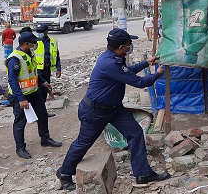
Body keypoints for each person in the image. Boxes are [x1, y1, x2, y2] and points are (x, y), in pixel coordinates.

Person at [56, 29, 170, 191]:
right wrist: (158, 74)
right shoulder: (110, 63)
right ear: (122, 47)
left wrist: (147, 62)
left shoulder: (115, 58)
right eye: (129, 45)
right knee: (83, 143)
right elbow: (139, 82)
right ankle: (64, 173)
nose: (131, 47)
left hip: (114, 109)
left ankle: (143, 174)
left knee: (135, 133)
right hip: (95, 110)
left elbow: (127, 72)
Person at [6, 32, 62, 159]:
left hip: (34, 92)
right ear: (26, 44)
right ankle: (20, 148)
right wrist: (21, 99)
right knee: (20, 122)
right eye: (34, 43)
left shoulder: (29, 54)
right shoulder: (14, 59)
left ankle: (45, 139)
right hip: (21, 96)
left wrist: (43, 82)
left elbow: (33, 73)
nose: (36, 45)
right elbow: (12, 80)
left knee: (42, 115)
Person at [34, 23, 61, 103]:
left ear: (46, 31)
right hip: (37, 69)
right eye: (38, 31)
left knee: (46, 88)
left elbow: (57, 56)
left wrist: (58, 68)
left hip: (47, 68)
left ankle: (43, 110)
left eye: (41, 31)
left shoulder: (52, 42)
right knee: (39, 89)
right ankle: (40, 111)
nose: (39, 33)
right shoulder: (34, 42)